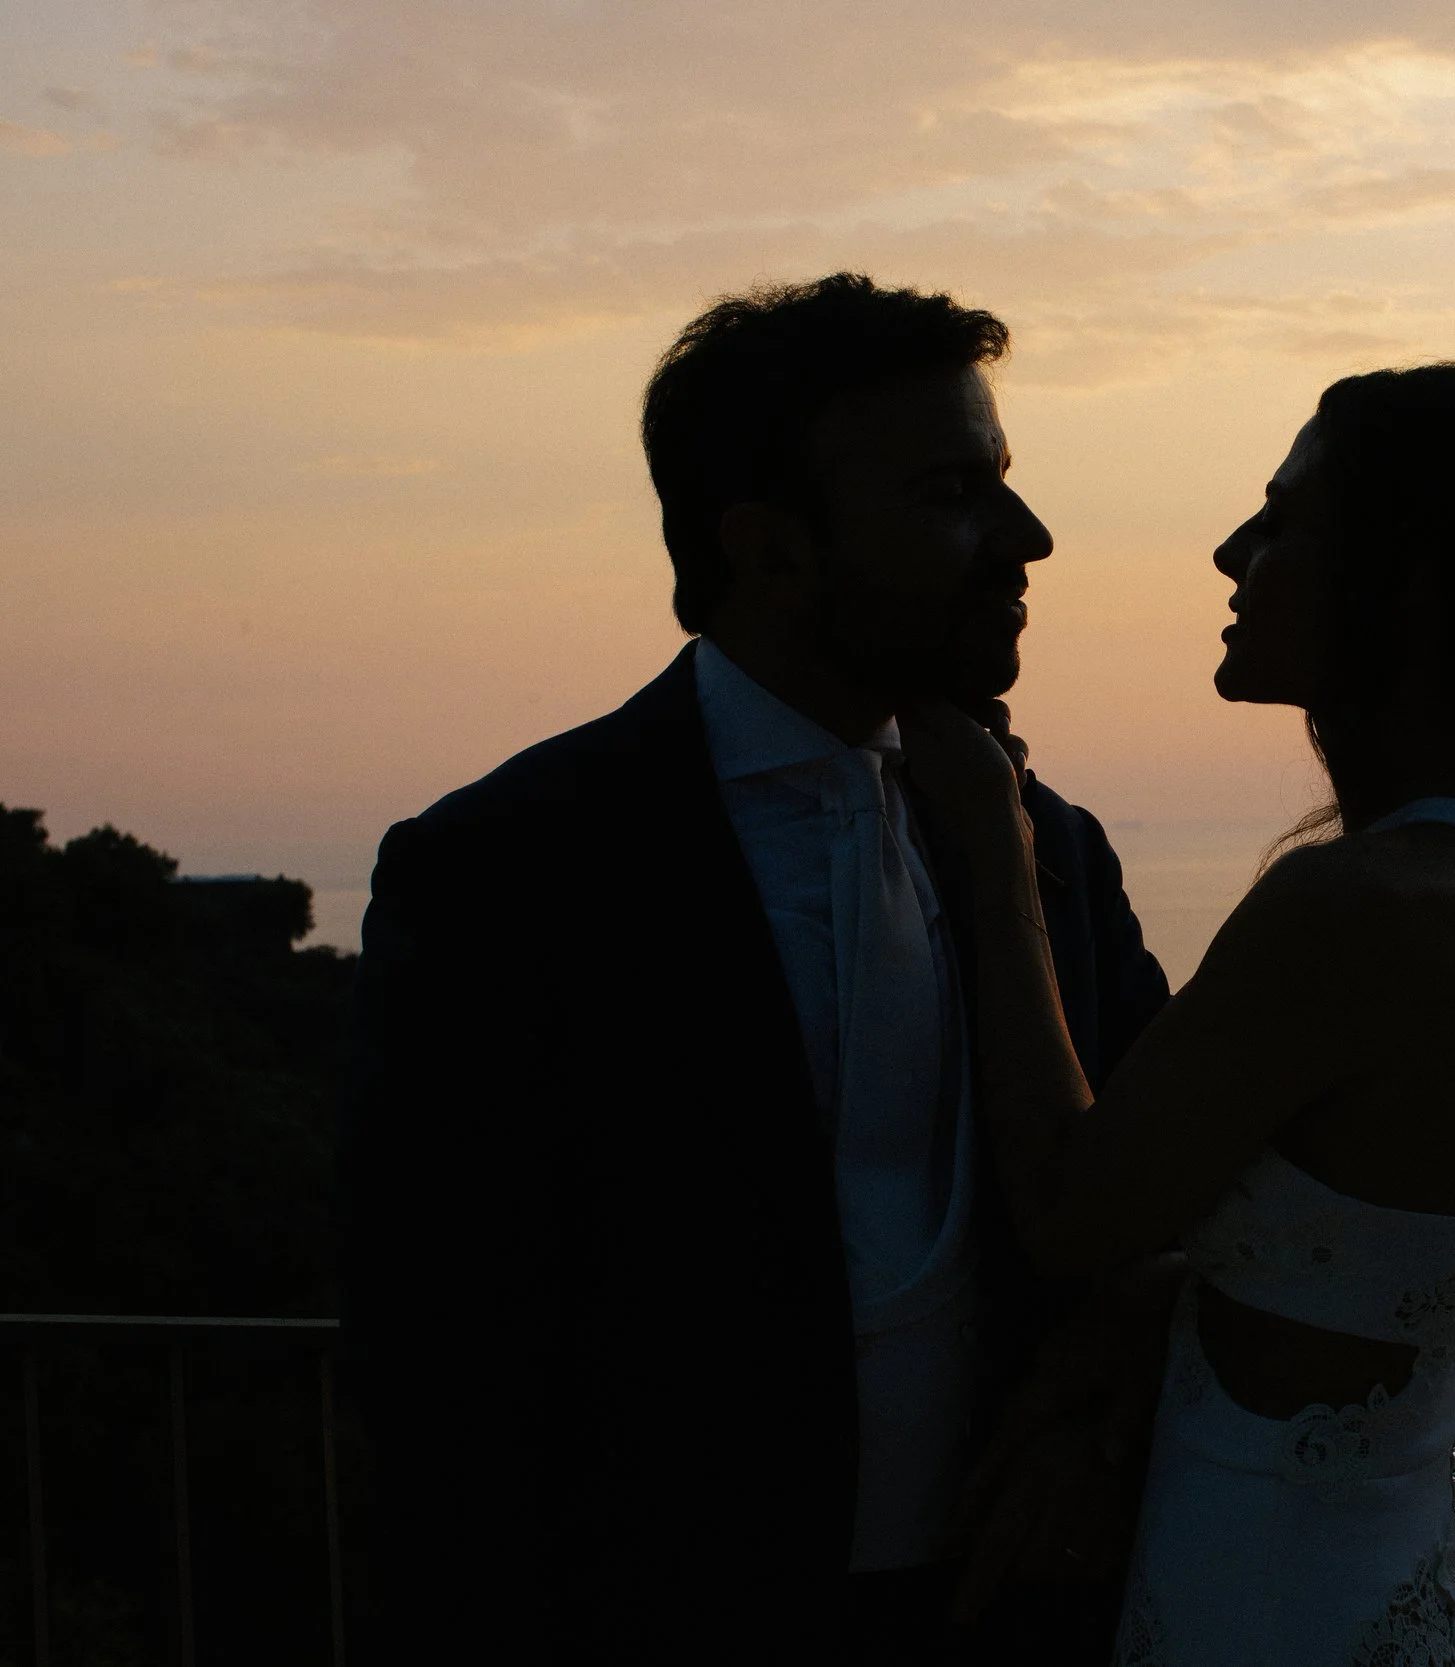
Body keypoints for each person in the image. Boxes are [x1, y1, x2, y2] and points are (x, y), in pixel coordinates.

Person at [340, 274, 1173, 1665]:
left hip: (1014, 1618)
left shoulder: (1052, 849)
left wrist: (1102, 1411)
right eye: (952, 495)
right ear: (771, 548)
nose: (1026, 538)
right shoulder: (508, 868)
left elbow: (1172, 1198)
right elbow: (438, 1334)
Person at [897, 361, 1455, 1664]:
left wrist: (995, 848)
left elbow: (1073, 1209)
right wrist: (1167, 1305)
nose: (1232, 554)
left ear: (1407, 585)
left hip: (1276, 1613)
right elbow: (1334, 1241)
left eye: (1285, 520)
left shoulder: (1362, 903)